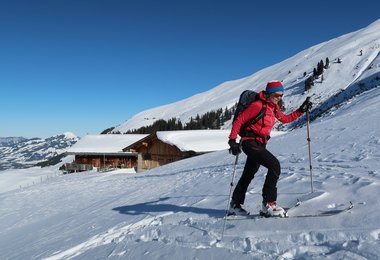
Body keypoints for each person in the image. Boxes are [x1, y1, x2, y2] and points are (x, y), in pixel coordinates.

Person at [228, 81, 312, 217]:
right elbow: (239, 120)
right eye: (277, 95)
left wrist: (301, 110)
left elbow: (285, 119)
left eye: (281, 96)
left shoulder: (273, 107)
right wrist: (232, 141)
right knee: (274, 166)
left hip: (260, 144)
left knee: (248, 174)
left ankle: (235, 205)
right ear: (269, 94)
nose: (279, 98)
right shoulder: (257, 105)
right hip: (250, 143)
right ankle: (269, 204)